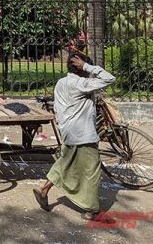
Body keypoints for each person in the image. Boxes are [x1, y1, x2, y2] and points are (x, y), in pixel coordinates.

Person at [33, 52, 116, 221]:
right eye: (85, 68)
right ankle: (91, 210)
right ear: (80, 68)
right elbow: (109, 78)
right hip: (83, 134)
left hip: (68, 131)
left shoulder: (61, 82)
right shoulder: (81, 83)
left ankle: (44, 190)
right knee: (92, 170)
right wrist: (86, 66)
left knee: (65, 162)